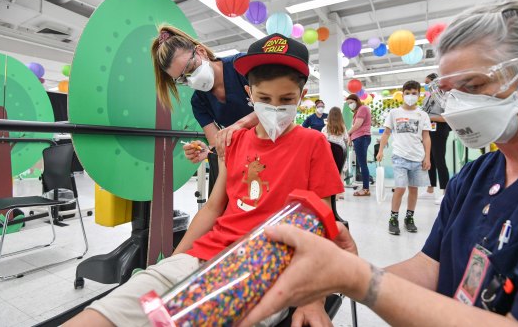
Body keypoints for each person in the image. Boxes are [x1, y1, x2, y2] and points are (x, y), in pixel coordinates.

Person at [238, 1, 518, 327]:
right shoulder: (475, 177)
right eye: (449, 92)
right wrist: (339, 273)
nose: (460, 106)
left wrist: (357, 278)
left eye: (474, 86)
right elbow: (431, 267)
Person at [65, 33, 344, 327]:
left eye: (286, 100)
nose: (274, 108)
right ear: (250, 95)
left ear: (301, 96)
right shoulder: (226, 133)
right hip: (209, 251)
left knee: (192, 316)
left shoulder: (313, 143)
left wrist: (314, 297)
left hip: (267, 263)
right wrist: (173, 261)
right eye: (264, 99)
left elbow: (319, 220)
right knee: (110, 310)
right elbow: (212, 207)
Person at [151, 25, 258, 164]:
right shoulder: (199, 102)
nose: (192, 79)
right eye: (183, 79)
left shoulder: (242, 66)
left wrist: (239, 125)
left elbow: (275, 107)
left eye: (190, 68)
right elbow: (218, 146)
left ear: (201, 51)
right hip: (246, 159)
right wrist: (208, 152)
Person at [376, 81, 431, 235]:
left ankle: (409, 218)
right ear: (402, 94)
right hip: (399, 157)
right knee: (400, 188)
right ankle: (393, 218)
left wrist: (427, 157)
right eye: (407, 93)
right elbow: (386, 133)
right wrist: (381, 150)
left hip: (417, 158)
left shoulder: (423, 115)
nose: (410, 96)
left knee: (414, 190)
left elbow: (426, 137)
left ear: (419, 95)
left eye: (414, 93)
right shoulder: (394, 113)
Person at [422, 72, 450, 205]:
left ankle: (445, 192)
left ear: (435, 82)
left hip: (440, 129)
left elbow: (447, 117)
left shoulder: (445, 97)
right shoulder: (427, 98)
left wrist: (429, 117)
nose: (426, 86)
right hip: (428, 129)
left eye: (428, 83)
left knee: (439, 160)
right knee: (429, 159)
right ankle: (430, 189)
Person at [345, 94, 372, 197]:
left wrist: (348, 133)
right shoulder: (358, 111)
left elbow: (357, 125)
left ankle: (366, 189)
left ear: (356, 101)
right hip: (360, 138)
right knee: (361, 164)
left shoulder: (362, 108)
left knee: (362, 164)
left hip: (361, 138)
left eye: (351, 102)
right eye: (348, 104)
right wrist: (350, 137)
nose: (350, 105)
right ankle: (365, 188)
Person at [321, 106, 349, 200]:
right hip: (341, 152)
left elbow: (323, 140)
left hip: (330, 153)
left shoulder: (326, 128)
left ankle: (335, 195)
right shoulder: (343, 128)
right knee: (341, 172)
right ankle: (341, 193)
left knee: (332, 174)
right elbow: (346, 139)